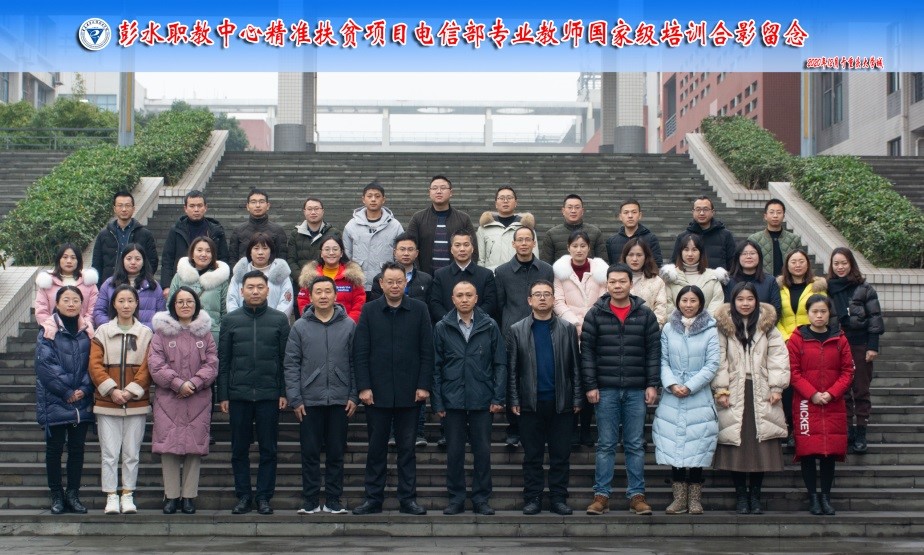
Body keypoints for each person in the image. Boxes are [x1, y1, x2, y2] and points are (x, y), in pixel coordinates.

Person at [352, 262, 434, 516]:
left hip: (410, 393)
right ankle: (372, 499)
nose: (395, 286)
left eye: (399, 281)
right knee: (376, 449)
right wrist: (363, 387)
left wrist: (424, 385)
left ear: (405, 283)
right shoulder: (370, 310)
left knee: (407, 449)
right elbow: (360, 351)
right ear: (381, 283)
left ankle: (408, 499)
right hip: (376, 393)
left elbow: (427, 351)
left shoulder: (419, 309)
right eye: (390, 282)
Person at [581, 263, 660, 516]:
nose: (617, 286)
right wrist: (591, 385)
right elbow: (587, 353)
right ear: (607, 285)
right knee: (605, 444)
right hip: (606, 390)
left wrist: (652, 383)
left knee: (635, 444)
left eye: (622, 281)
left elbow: (653, 352)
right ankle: (601, 496)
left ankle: (637, 496)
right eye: (612, 282)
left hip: (636, 389)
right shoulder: (595, 314)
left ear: (630, 284)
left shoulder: (645, 314)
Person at [712, 282, 790, 515]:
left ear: (756, 301)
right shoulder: (723, 326)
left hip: (762, 390)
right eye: (740, 299)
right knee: (735, 444)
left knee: (761, 445)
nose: (745, 303)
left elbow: (778, 357)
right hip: (734, 390)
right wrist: (721, 389)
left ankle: (755, 496)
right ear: (733, 301)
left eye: (749, 299)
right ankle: (741, 496)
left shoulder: (767, 326)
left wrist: (776, 387)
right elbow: (719, 359)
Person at [507, 280, 582, 516]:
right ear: (529, 300)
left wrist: (577, 398)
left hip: (561, 403)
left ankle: (559, 499)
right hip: (530, 403)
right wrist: (514, 399)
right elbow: (512, 369)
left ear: (553, 299)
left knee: (560, 456)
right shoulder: (517, 329)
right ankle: (533, 498)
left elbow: (575, 367)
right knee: (532, 456)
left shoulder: (567, 329)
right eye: (537, 295)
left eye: (547, 294)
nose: (542, 298)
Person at [218, 270, 290, 516]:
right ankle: (243, 496)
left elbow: (285, 360)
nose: (255, 291)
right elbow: (224, 360)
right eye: (250, 287)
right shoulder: (231, 320)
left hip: (269, 395)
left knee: (269, 449)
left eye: (260, 287)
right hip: (238, 395)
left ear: (268, 290)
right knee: (239, 449)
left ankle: (264, 497)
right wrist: (223, 395)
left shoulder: (279, 320)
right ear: (242, 290)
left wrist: (283, 391)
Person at [284, 276, 358, 515]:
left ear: (336, 295)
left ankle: (334, 499)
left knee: (336, 452)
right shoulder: (300, 326)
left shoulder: (349, 325)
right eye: (319, 292)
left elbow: (355, 363)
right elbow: (291, 364)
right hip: (309, 400)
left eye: (328, 291)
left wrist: (353, 395)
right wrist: (295, 398)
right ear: (311, 296)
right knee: (310, 452)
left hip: (340, 399)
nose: (323, 296)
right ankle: (311, 499)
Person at [432, 281, 507, 516]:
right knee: (454, 452)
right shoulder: (442, 327)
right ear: (452, 299)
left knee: (482, 451)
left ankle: (481, 499)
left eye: (468, 295)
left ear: (476, 298)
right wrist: (438, 401)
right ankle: (456, 498)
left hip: (482, 397)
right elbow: (436, 367)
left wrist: (498, 397)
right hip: (452, 398)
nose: (464, 299)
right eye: (459, 295)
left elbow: (500, 364)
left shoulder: (490, 325)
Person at [148, 288, 218, 515]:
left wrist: (194, 383)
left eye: (189, 301)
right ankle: (171, 496)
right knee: (168, 449)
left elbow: (212, 364)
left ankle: (188, 496)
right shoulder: (161, 334)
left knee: (194, 449)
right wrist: (178, 384)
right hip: (169, 399)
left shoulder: (205, 334)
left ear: (196, 305)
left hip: (198, 399)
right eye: (180, 302)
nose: (185, 305)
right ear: (173, 306)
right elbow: (155, 365)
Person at [652, 286, 720, 515]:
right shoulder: (668, 328)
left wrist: (690, 385)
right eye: (684, 300)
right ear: (678, 302)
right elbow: (662, 360)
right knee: (674, 446)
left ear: (700, 303)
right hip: (672, 395)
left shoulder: (710, 329)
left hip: (699, 395)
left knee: (698, 445)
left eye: (693, 301)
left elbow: (712, 363)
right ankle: (679, 499)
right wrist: (672, 384)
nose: (688, 305)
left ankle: (695, 500)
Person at [88, 285, 153, 515]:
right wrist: (112, 390)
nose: (126, 305)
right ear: (114, 304)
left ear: (137, 303)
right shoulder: (102, 332)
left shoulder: (146, 333)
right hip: (107, 403)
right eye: (121, 301)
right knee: (109, 453)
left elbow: (148, 367)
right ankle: (111, 495)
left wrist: (131, 391)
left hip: (136, 403)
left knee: (132, 453)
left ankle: (127, 494)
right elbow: (95, 366)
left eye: (130, 301)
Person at [788, 295, 854, 516]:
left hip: (833, 404)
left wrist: (832, 393)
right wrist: (813, 394)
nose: (819, 316)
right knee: (808, 452)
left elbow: (848, 371)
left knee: (829, 453)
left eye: (823, 311)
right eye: (814, 311)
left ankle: (826, 497)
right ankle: (813, 498)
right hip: (806, 403)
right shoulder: (797, 339)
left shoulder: (840, 338)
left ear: (829, 313)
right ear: (807, 313)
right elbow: (793, 372)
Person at [35, 286, 94, 515]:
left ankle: (73, 495)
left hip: (82, 401)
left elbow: (95, 363)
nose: (71, 304)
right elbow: (45, 365)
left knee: (77, 450)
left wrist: (84, 389)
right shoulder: (48, 330)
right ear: (57, 304)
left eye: (76, 300)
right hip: (55, 400)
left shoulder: (88, 330)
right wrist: (68, 391)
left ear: (82, 304)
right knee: (54, 450)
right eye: (66, 300)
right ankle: (57, 495)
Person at [493, 226, 553, 448]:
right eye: (520, 240)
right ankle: (514, 428)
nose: (524, 243)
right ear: (514, 244)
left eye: (528, 239)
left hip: (542, 329)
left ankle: (542, 428)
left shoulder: (546, 269)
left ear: (534, 243)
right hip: (512, 333)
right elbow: (499, 304)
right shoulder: (502, 272)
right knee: (514, 378)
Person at [552, 230, 608, 448]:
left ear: (589, 248)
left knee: (590, 379)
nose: (579, 250)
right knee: (571, 380)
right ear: (568, 248)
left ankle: (586, 428)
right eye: (575, 246)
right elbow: (558, 301)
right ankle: (572, 429)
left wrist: (589, 322)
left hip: (595, 331)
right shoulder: (560, 272)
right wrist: (574, 322)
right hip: (569, 331)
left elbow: (604, 298)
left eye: (583, 245)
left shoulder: (600, 271)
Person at [827, 247, 884, 454]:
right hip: (836, 344)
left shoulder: (864, 288)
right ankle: (847, 430)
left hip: (860, 344)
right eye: (836, 263)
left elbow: (875, 318)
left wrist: (872, 346)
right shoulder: (826, 288)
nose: (840, 267)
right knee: (842, 391)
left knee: (861, 389)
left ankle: (861, 432)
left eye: (844, 263)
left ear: (851, 263)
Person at [776, 248, 827, 446]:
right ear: (787, 265)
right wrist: (786, 337)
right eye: (793, 262)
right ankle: (790, 427)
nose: (797, 265)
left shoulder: (817, 287)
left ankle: (805, 428)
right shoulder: (779, 287)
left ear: (808, 264)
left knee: (808, 385)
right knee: (788, 387)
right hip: (786, 344)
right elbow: (775, 316)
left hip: (811, 342)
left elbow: (822, 312)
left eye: (801, 261)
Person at [160, 190, 229, 297]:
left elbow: (223, 257)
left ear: (205, 207)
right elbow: (167, 259)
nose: (196, 209)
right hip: (182, 280)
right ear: (185, 208)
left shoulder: (216, 230)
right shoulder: (176, 230)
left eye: (199, 206)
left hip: (211, 283)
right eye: (192, 206)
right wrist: (166, 285)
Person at [406, 175, 477, 275]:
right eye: (434, 188)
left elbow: (473, 249)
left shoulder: (463, 219)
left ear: (451, 192)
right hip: (425, 277)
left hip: (457, 277)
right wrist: (418, 276)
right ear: (429, 192)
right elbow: (409, 246)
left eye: (443, 188)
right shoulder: (418, 218)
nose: (438, 191)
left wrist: (466, 274)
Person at [343, 181, 405, 292]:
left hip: (386, 283)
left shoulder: (395, 226)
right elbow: (347, 254)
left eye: (377, 196)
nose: (373, 199)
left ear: (383, 200)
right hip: (358, 283)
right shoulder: (351, 225)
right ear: (363, 199)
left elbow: (400, 254)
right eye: (369, 196)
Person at [168, 237, 230, 344]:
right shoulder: (180, 277)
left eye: (208, 251)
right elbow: (170, 305)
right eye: (199, 250)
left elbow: (225, 311)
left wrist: (219, 330)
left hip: (212, 333)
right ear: (192, 254)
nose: (203, 254)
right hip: (183, 333)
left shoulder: (221, 279)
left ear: (213, 255)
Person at [429, 231, 498, 324]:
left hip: (479, 326)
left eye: (466, 245)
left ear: (472, 248)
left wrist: (474, 321)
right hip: (448, 327)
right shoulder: (440, 275)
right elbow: (435, 303)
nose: (462, 249)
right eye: (457, 245)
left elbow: (490, 303)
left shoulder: (486, 274)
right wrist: (451, 322)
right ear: (451, 249)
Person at [93, 243, 165, 329]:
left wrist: (142, 330)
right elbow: (99, 312)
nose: (133, 262)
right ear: (122, 260)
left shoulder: (153, 286)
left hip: (145, 335)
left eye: (137, 259)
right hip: (113, 334)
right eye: (129, 258)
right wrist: (113, 328)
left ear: (143, 262)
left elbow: (161, 316)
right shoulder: (109, 284)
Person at [35, 243, 98, 339]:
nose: (69, 261)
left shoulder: (89, 283)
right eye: (65, 257)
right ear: (59, 259)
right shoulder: (47, 282)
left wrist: (84, 327)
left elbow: (93, 309)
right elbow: (41, 310)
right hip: (53, 334)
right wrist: (51, 328)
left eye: (73, 258)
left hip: (82, 334)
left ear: (78, 261)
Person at [295, 235, 365, 322]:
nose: (331, 253)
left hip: (346, 326)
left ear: (341, 253)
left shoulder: (353, 276)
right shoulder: (310, 276)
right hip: (316, 325)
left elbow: (359, 304)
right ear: (321, 253)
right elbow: (303, 301)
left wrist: (347, 324)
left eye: (335, 249)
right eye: (327, 249)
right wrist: (314, 323)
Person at [91, 191, 158, 279]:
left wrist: (142, 280)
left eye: (127, 205)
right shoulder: (104, 235)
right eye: (120, 205)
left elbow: (152, 262)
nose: (124, 209)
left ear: (133, 209)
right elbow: (96, 263)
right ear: (114, 209)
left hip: (136, 283)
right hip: (110, 283)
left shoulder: (145, 234)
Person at [226, 233, 294, 317]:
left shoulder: (281, 273)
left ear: (271, 252)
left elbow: (286, 302)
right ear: (250, 252)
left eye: (265, 248)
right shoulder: (240, 273)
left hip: (274, 323)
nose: (260, 252)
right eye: (256, 248)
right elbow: (231, 300)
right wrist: (239, 321)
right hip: (242, 323)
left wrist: (275, 321)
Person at [660, 233, 727, 316]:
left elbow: (717, 302)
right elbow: (668, 304)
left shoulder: (712, 277)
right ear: (680, 252)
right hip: (676, 323)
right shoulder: (670, 277)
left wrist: (705, 321)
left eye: (694, 250)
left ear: (700, 252)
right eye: (686, 250)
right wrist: (680, 321)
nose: (690, 254)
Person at [477, 186, 538, 271]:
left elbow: (535, 257)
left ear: (516, 203)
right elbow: (481, 260)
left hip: (520, 274)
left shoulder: (526, 227)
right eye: (501, 198)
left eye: (509, 198)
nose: (505, 201)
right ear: (496, 204)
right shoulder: (484, 228)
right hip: (493, 275)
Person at [670, 196, 736, 270]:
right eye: (698, 209)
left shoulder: (725, 235)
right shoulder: (683, 237)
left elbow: (733, 264)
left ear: (712, 212)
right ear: (693, 212)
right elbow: (675, 262)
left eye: (705, 209)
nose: (701, 213)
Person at [723, 240, 782, 320]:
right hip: (735, 325)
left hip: (764, 326)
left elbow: (776, 310)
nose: (748, 257)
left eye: (752, 253)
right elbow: (726, 309)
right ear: (738, 257)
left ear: (759, 256)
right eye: (744, 254)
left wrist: (761, 326)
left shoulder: (770, 281)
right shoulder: (729, 281)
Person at [369, 232, 433, 306]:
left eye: (410, 249)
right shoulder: (380, 278)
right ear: (394, 252)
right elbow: (376, 306)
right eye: (402, 249)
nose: (406, 253)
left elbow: (430, 307)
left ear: (416, 253)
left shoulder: (426, 279)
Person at [286, 197, 340, 285]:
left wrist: (323, 280)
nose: (313, 212)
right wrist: (302, 279)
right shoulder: (295, 234)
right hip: (301, 283)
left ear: (323, 211)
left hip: (327, 283)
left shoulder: (334, 233)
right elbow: (291, 260)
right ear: (304, 211)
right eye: (309, 209)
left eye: (316, 209)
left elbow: (338, 258)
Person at [540, 194, 607, 264]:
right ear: (563, 211)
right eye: (570, 207)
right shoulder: (551, 234)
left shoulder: (595, 233)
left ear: (582, 211)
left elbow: (603, 263)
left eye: (577, 207)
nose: (573, 211)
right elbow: (545, 264)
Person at [228, 188, 288, 264]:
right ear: (247, 206)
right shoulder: (238, 230)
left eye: (261, 202)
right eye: (253, 202)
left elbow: (282, 260)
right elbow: (232, 259)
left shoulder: (278, 230)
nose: (257, 205)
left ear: (268, 206)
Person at [620, 237, 669, 328]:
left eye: (639, 255)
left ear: (646, 257)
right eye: (631, 255)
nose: (635, 259)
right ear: (625, 257)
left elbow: (661, 310)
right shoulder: (616, 279)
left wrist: (651, 329)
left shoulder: (657, 281)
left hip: (647, 330)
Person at [748, 199, 803, 277]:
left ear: (783, 216)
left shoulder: (794, 239)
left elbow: (802, 262)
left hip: (788, 281)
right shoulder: (754, 239)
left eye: (779, 212)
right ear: (765, 216)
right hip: (763, 281)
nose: (775, 216)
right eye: (771, 212)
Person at [606, 200, 663, 267]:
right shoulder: (611, 241)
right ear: (620, 217)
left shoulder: (651, 239)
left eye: (634, 212)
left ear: (640, 215)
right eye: (626, 212)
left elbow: (656, 264)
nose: (630, 216)